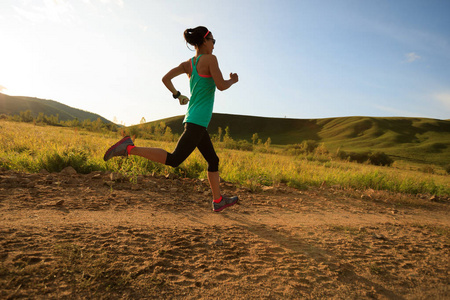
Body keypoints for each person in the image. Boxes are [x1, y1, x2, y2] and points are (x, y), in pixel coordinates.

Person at [104, 26, 239, 212]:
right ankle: (129, 148)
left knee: (213, 160)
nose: (214, 46)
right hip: (197, 121)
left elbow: (166, 78)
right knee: (175, 159)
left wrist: (178, 95)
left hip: (194, 120)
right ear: (205, 41)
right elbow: (222, 85)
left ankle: (218, 200)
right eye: (213, 41)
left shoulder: (189, 64)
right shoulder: (210, 59)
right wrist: (233, 80)